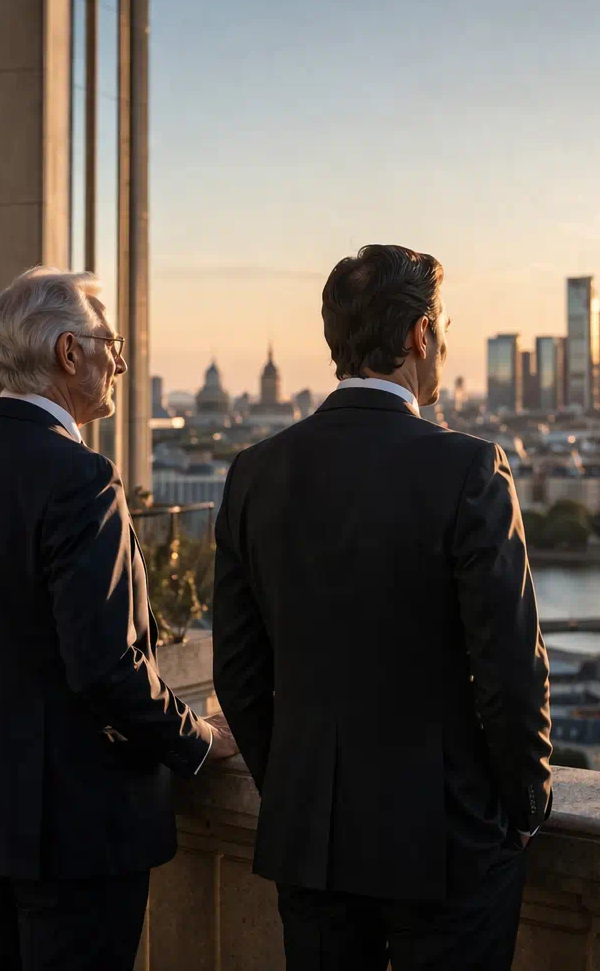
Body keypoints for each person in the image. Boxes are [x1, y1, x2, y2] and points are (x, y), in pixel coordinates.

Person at [213, 244, 553, 970]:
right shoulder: (469, 468)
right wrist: (525, 805)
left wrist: (297, 788)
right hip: (445, 839)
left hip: (310, 839)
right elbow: (510, 673)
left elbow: (239, 676)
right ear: (420, 337)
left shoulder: (253, 473)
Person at [0, 266, 237, 971]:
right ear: (69, 354)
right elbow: (107, 665)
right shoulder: (80, 478)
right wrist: (198, 741)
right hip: (76, 834)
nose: (120, 360)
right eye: (110, 341)